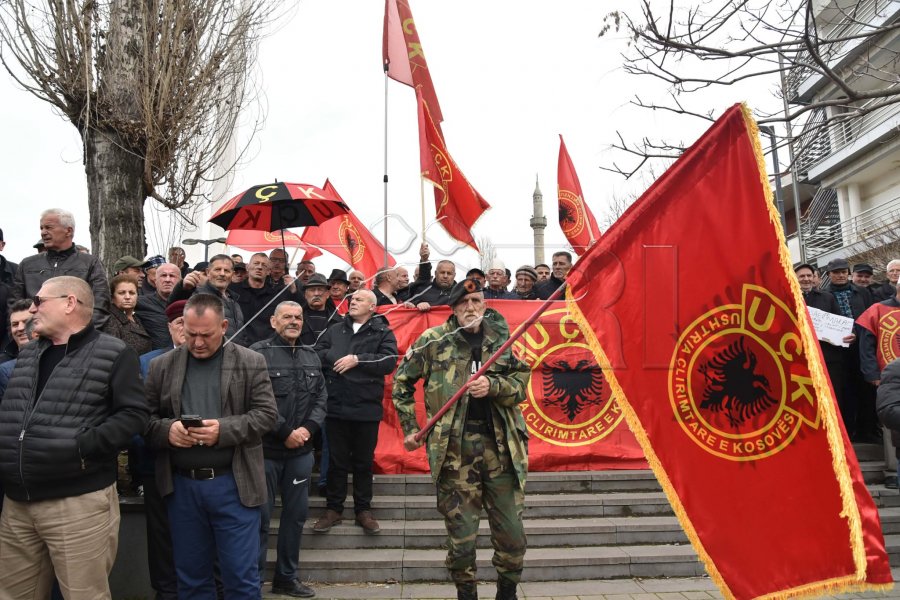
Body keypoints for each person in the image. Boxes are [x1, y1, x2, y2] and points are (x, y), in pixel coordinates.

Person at [0, 276, 148, 599]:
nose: (32, 309)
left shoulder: (114, 352)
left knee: (85, 595)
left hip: (77, 502)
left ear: (70, 303)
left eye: (39, 301)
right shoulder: (28, 355)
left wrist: (82, 446)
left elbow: (135, 416)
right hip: (18, 502)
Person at [392, 277, 530, 600]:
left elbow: (521, 385)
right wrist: (411, 427)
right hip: (455, 452)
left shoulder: (502, 341)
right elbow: (401, 382)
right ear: (453, 309)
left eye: (477, 301)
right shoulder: (434, 340)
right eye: (464, 303)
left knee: (512, 535)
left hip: (501, 449)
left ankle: (507, 592)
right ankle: (466, 593)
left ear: (485, 304)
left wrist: (493, 387)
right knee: (462, 539)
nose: (471, 308)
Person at [144, 293, 277, 598]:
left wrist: (223, 430)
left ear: (225, 326)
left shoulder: (250, 361)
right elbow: (141, 419)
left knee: (241, 580)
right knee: (191, 580)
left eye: (206, 334)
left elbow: (267, 416)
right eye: (191, 334)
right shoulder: (161, 366)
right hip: (182, 489)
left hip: (234, 485)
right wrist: (167, 430)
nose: (198, 342)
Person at [251, 302, 327, 598]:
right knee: (259, 518)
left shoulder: (311, 356)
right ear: (273, 321)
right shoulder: (258, 354)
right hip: (266, 452)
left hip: (300, 454)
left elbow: (321, 398)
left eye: (298, 317)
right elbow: (257, 398)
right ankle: (253, 581)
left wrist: (307, 429)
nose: (294, 322)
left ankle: (286, 578)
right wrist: (284, 432)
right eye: (287, 317)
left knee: (295, 517)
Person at [312, 290, 398, 535]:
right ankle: (333, 509)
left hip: (366, 408)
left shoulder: (382, 332)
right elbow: (317, 353)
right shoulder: (334, 329)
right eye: (352, 299)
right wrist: (338, 357)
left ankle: (363, 509)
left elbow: (389, 360)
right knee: (336, 463)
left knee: (363, 462)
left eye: (359, 299)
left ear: (372, 306)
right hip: (336, 406)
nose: (353, 302)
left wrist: (358, 359)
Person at [138, 300, 188, 600]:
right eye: (179, 323)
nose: (185, 328)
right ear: (169, 326)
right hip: (156, 460)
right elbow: (137, 414)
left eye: (189, 321)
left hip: (195, 463)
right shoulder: (148, 361)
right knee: (161, 537)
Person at [10, 208, 110, 327]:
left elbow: (100, 305)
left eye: (49, 227)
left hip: (77, 341)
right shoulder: (27, 264)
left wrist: (82, 336)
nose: (43, 232)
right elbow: (15, 307)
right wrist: (29, 335)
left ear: (68, 231)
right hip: (35, 339)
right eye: (41, 228)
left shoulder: (90, 263)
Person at [823, 257, 875, 440]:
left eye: (843, 272)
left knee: (865, 389)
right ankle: (847, 432)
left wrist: (860, 336)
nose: (840, 275)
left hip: (861, 348)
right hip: (837, 351)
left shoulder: (862, 293)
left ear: (849, 274)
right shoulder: (823, 295)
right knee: (843, 391)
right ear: (829, 275)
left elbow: (871, 316)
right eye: (836, 272)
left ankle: (866, 431)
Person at [168, 254, 247, 344]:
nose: (222, 274)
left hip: (235, 355)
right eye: (217, 269)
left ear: (232, 275)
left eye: (226, 271)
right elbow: (171, 306)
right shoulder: (197, 295)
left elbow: (242, 334)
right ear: (208, 272)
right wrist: (182, 287)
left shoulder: (235, 301)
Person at [232, 252, 283, 346]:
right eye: (256, 263)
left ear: (268, 271)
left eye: (264, 265)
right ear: (247, 267)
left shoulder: (276, 295)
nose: (259, 267)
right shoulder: (232, 290)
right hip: (239, 346)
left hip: (266, 348)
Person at [103, 274, 153, 356]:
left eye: (132, 293)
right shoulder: (110, 320)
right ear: (112, 297)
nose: (127, 297)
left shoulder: (135, 317)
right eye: (122, 293)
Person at [138, 262, 183, 350]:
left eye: (172, 276)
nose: (167, 279)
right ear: (155, 281)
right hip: (155, 358)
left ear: (180, 281)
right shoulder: (141, 303)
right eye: (163, 275)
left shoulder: (188, 304)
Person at [300, 274, 341, 347]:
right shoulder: (297, 318)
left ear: (327, 294)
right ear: (305, 295)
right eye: (312, 290)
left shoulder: (338, 321)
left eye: (320, 290)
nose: (316, 294)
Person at [0, 299, 31, 365]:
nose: (20, 328)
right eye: (15, 324)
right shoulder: (2, 363)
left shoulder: (51, 356)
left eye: (26, 322)